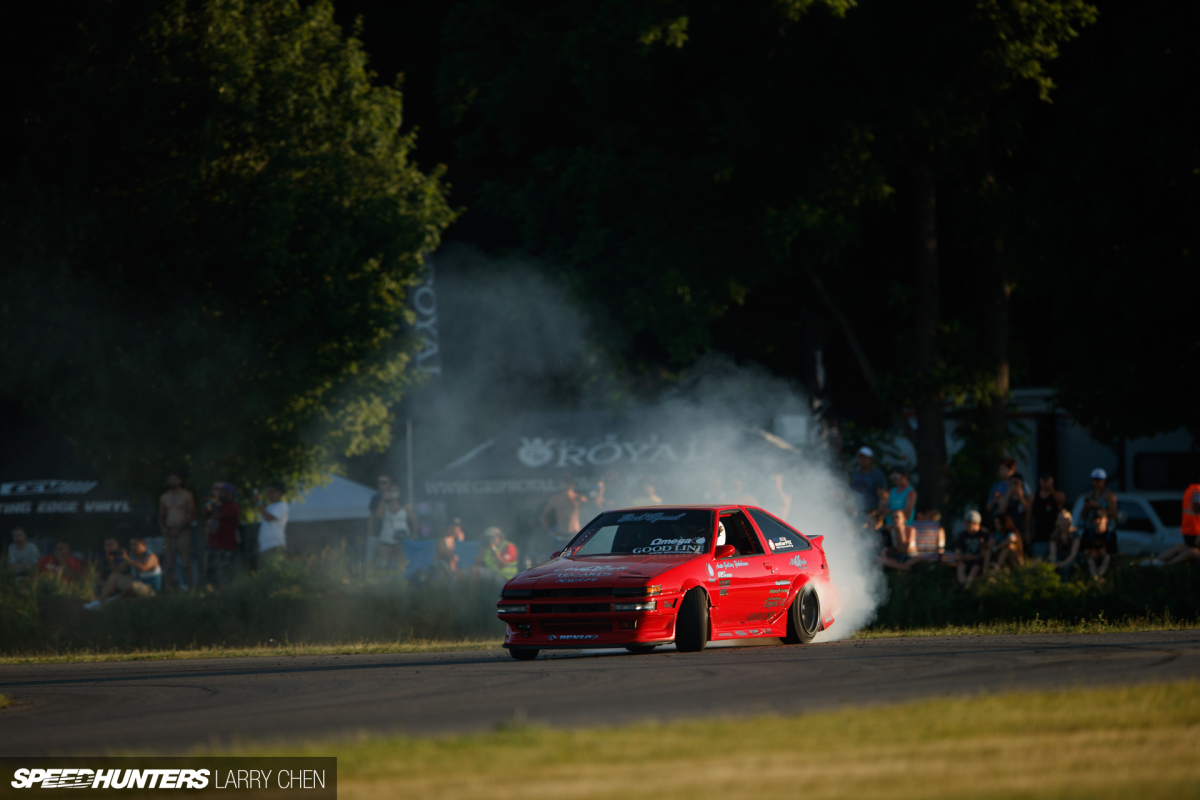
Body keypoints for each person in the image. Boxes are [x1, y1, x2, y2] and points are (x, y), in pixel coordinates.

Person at [84, 537, 162, 609]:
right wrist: (111, 560)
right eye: (131, 544)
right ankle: (99, 601)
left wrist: (127, 559)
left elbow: (143, 568)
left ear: (143, 544)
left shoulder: (151, 556)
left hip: (150, 590)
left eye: (135, 544)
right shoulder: (132, 557)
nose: (132, 547)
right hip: (137, 584)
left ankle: (111, 602)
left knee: (132, 586)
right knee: (114, 576)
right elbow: (118, 570)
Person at [541, 479, 606, 557]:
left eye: (569, 483)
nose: (567, 486)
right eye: (565, 483)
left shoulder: (579, 498)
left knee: (577, 561)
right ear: (561, 484)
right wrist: (550, 530)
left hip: (575, 536)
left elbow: (595, 509)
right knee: (557, 561)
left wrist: (599, 492)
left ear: (573, 485)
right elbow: (544, 516)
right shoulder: (555, 499)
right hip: (559, 536)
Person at [158, 472, 196, 592]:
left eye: (175, 479)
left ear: (179, 480)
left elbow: (192, 515)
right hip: (169, 533)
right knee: (169, 564)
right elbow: (162, 515)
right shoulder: (164, 497)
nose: (173, 482)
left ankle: (191, 589)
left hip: (182, 532)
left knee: (186, 563)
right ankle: (169, 590)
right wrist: (163, 528)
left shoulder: (187, 495)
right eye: (170, 479)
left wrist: (180, 527)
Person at [206, 483, 241, 585]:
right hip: (214, 547)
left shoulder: (233, 507)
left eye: (222, 492)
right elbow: (206, 514)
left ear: (229, 494)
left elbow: (218, 515)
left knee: (225, 575)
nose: (220, 494)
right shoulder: (219, 505)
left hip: (226, 548)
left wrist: (211, 503)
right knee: (213, 576)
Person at [1028, 474, 1066, 561]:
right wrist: (1028, 532)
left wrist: (1051, 488)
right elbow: (1029, 515)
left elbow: (1061, 503)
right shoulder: (1033, 496)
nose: (1045, 483)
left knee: (1054, 561)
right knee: (1039, 563)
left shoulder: (1057, 494)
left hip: (1054, 535)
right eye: (1044, 480)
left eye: (1048, 480)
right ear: (1039, 481)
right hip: (1039, 536)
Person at [996, 472, 1032, 554]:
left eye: (1016, 482)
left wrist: (1020, 495)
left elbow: (1028, 511)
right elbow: (1001, 512)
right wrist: (1008, 493)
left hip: (1023, 530)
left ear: (1021, 483)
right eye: (1012, 482)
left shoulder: (1027, 497)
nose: (1014, 485)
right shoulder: (1005, 498)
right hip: (1009, 532)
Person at [254, 481, 289, 566]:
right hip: (264, 547)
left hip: (275, 546)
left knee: (273, 573)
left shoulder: (282, 505)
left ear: (279, 492)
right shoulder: (269, 507)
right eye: (267, 491)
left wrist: (259, 502)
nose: (268, 494)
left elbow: (268, 518)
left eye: (271, 491)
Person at [952, 510, 990, 587]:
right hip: (965, 561)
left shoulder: (984, 534)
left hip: (979, 561)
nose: (965, 525)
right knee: (960, 566)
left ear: (977, 524)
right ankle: (963, 587)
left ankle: (969, 587)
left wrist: (974, 557)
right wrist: (963, 557)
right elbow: (957, 554)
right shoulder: (962, 535)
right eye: (965, 522)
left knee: (975, 568)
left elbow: (987, 552)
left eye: (968, 522)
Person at [849, 446, 887, 518]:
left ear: (871, 459)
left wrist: (878, 514)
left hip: (871, 514)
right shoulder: (855, 475)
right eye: (860, 458)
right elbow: (851, 494)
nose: (862, 460)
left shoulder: (877, 474)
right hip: (857, 513)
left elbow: (882, 495)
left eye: (865, 458)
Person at [1080, 508, 1116, 581]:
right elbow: (1083, 549)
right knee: (1090, 560)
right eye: (1095, 519)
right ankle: (1096, 579)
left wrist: (1105, 553)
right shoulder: (1087, 533)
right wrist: (1090, 553)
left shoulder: (1111, 534)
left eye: (1100, 518)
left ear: (1106, 520)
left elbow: (1114, 552)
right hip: (1091, 560)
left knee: (1107, 558)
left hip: (1104, 561)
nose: (1097, 521)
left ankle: (1098, 577)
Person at [1048, 509, 1080, 578]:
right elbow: (1053, 553)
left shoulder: (1075, 535)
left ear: (1069, 521)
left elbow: (1073, 554)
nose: (1063, 521)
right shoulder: (1054, 535)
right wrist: (1054, 562)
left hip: (1071, 559)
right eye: (1060, 519)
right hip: (1059, 559)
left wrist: (1064, 563)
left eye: (1065, 519)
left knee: (1066, 567)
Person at [985, 458, 1018, 524]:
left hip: (1015, 522)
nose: (1000, 471)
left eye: (1002, 469)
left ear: (1011, 469)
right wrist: (994, 502)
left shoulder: (1019, 484)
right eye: (1000, 469)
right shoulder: (996, 486)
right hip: (998, 522)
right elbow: (988, 508)